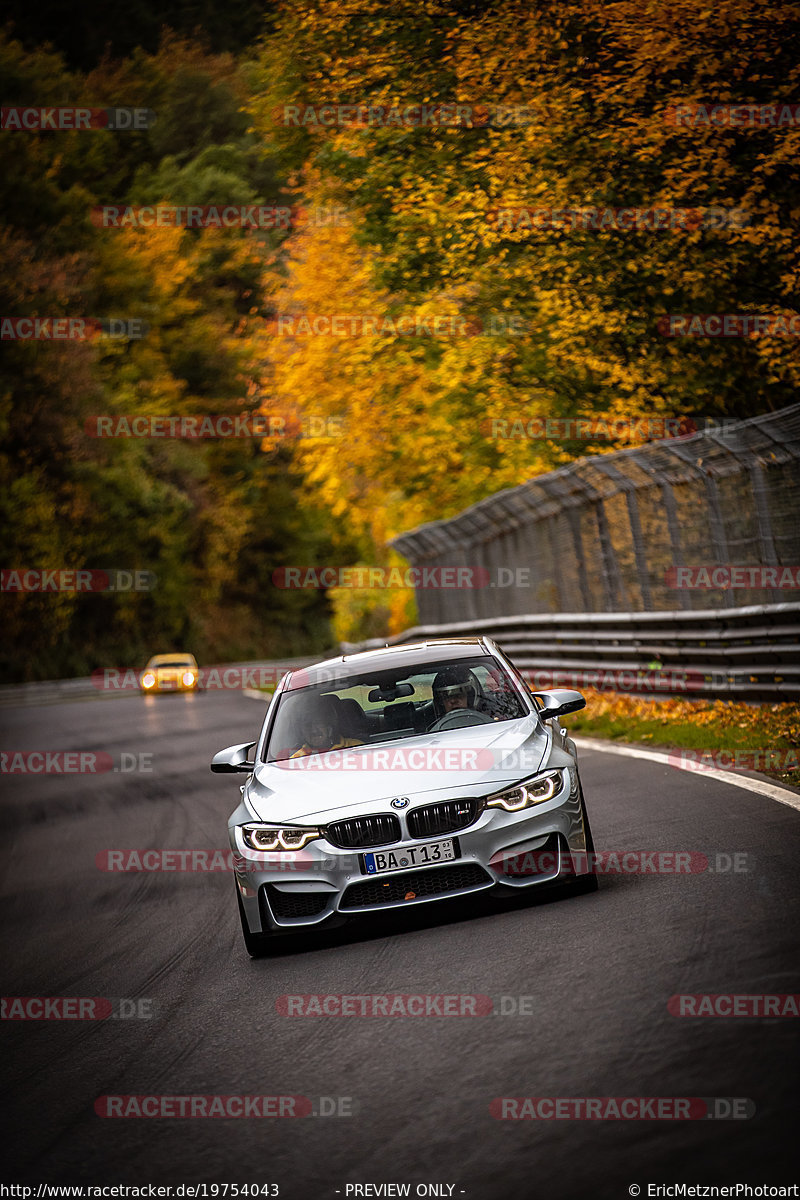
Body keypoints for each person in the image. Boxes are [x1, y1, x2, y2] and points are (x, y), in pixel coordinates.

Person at [290, 694, 363, 758]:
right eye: (307, 725)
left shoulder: (356, 747)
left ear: (329, 725)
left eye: (318, 723)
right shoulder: (295, 760)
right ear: (301, 731)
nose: (314, 730)